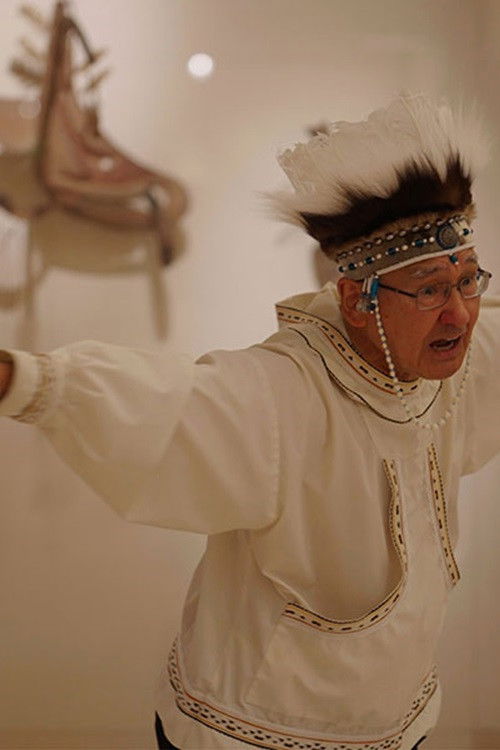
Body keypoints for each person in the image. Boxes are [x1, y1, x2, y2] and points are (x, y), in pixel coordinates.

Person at [0, 93, 498, 750]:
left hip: (400, 721)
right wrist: (22, 379)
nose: (460, 313)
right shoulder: (287, 393)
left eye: (469, 281)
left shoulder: (460, 357)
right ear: (357, 299)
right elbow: (167, 405)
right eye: (431, 288)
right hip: (253, 730)